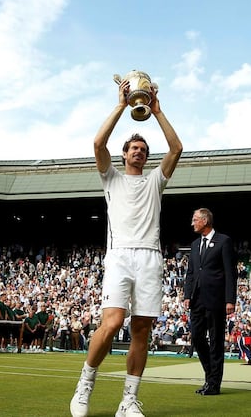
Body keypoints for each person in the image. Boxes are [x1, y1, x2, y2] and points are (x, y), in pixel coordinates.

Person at [70, 77, 182, 417]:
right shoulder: (111, 177)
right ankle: (84, 386)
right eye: (134, 148)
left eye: (144, 150)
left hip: (150, 257)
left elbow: (176, 149)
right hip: (120, 257)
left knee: (141, 329)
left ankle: (128, 401)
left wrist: (158, 112)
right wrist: (121, 105)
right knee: (112, 322)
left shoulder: (155, 181)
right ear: (124, 154)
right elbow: (97, 142)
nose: (139, 151)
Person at [184, 208, 238, 394]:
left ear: (205, 221)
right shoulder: (194, 245)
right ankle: (210, 376)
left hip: (216, 299)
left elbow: (231, 273)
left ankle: (214, 384)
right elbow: (191, 272)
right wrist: (187, 295)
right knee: (197, 338)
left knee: (216, 342)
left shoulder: (223, 241)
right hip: (197, 299)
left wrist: (230, 299)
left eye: (195, 219)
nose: (192, 223)